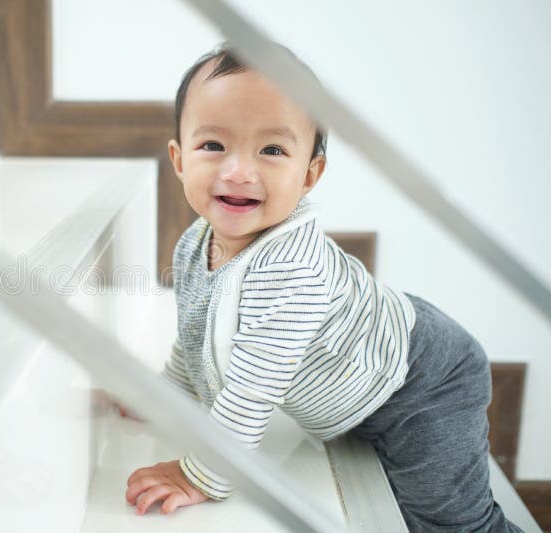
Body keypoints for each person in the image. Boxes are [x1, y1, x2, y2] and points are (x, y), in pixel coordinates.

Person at [124, 42, 522, 532]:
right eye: (213, 145)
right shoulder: (194, 243)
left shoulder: (291, 271)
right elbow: (194, 333)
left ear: (310, 174)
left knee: (448, 521)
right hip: (366, 370)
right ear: (180, 159)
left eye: (272, 150)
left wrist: (202, 473)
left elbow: (252, 388)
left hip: (422, 383)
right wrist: (163, 396)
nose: (238, 171)